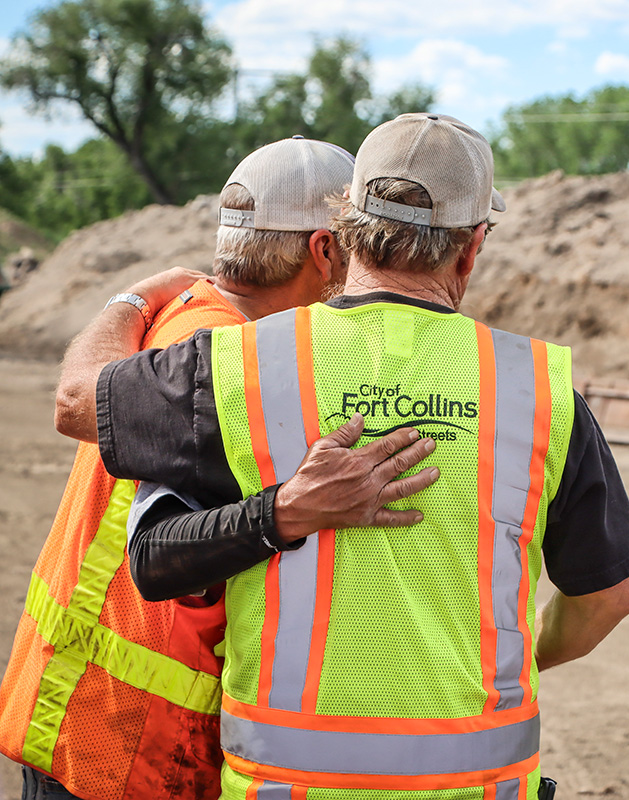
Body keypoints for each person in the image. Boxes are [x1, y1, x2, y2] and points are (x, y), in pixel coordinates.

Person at [64, 113, 629, 799]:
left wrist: (136, 296)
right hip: (478, 784)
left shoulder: (236, 366)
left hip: (287, 786)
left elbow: (82, 406)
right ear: (472, 246)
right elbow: (612, 596)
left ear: (345, 228)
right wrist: (525, 661)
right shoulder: (537, 389)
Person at [0, 136, 438, 800]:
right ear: (324, 252)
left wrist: (131, 297)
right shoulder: (230, 358)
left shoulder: (182, 315)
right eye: (359, 247)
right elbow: (75, 405)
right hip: (121, 736)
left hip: (79, 707)